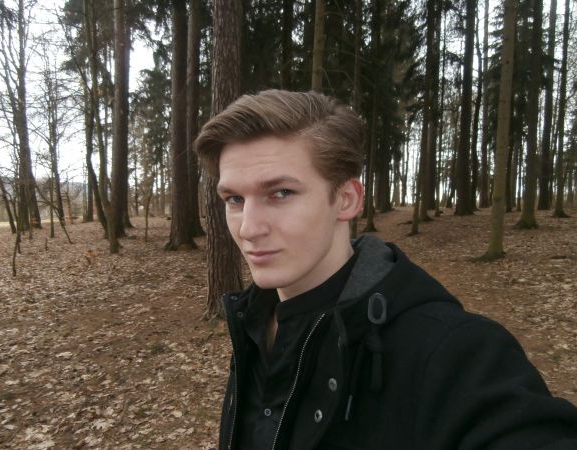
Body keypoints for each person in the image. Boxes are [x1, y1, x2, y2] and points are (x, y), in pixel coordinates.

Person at [194, 90, 577, 450]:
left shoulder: (455, 352)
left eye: (281, 193)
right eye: (235, 199)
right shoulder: (252, 321)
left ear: (347, 199)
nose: (248, 228)